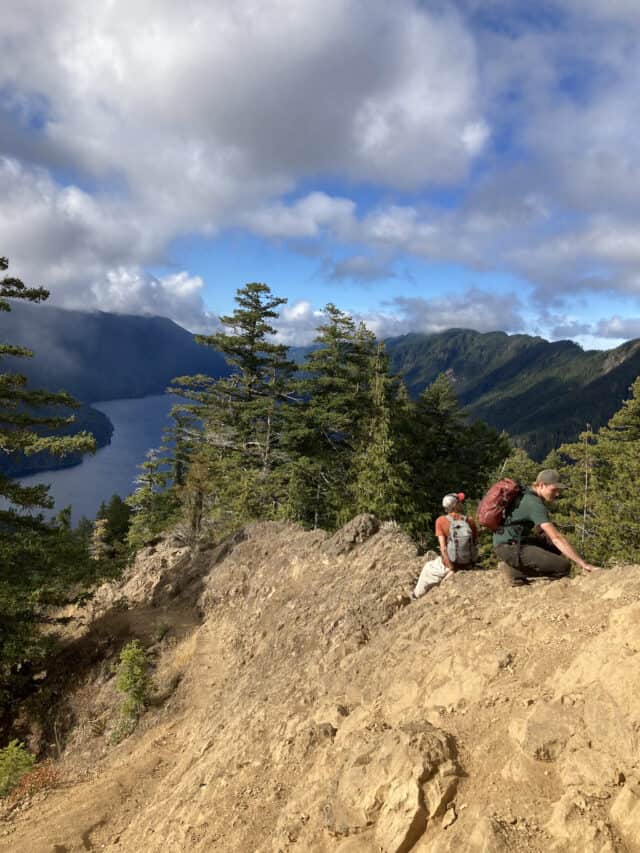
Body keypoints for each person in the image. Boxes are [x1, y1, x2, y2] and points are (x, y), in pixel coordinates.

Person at [493, 469, 601, 586]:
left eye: (559, 490)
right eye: (554, 489)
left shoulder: (526, 493)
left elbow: (541, 530)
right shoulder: (534, 504)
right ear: (541, 485)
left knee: (553, 546)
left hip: (511, 542)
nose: (557, 494)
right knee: (563, 567)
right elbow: (556, 538)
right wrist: (583, 564)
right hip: (510, 547)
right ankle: (514, 571)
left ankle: (516, 566)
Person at [435, 492, 479, 574]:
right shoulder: (469, 520)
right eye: (459, 502)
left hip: (450, 565)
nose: (461, 504)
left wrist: (451, 568)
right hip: (468, 565)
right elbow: (475, 543)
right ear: (455, 505)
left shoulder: (440, 521)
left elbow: (443, 549)